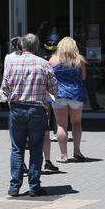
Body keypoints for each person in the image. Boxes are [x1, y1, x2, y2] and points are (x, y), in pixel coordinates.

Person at [1, 33, 58, 197]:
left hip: (17, 109)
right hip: (37, 110)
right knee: (36, 147)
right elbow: (54, 88)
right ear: (36, 47)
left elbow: (4, 88)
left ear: (22, 46)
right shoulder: (44, 64)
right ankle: (34, 186)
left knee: (17, 148)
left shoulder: (12, 63)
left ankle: (14, 186)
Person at [50, 37, 88, 163]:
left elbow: (50, 78)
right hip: (76, 95)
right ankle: (77, 151)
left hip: (59, 95)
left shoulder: (53, 60)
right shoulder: (79, 60)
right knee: (76, 123)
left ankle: (63, 155)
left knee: (61, 125)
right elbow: (83, 77)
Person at [42, 39, 61, 173]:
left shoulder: (45, 60)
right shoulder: (54, 61)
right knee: (47, 127)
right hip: (49, 95)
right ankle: (47, 161)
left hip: (45, 95)